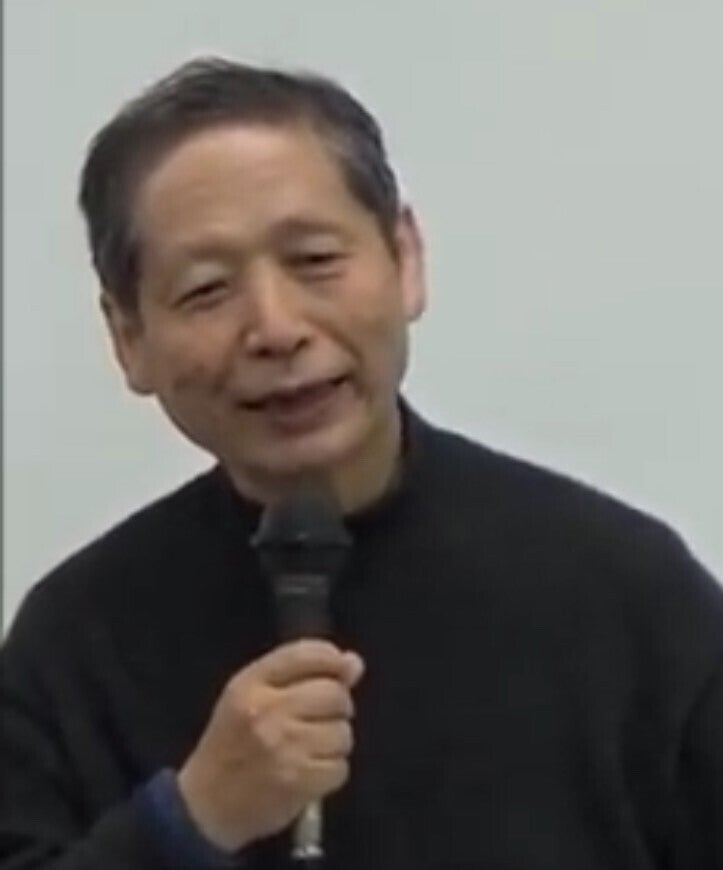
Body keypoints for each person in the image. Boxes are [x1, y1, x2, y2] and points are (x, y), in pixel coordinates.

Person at [1, 56, 722, 870]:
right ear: (128, 338)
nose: (275, 328)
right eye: (206, 290)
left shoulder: (625, 595)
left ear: (404, 259)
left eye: (314, 261)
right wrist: (188, 821)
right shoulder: (76, 643)